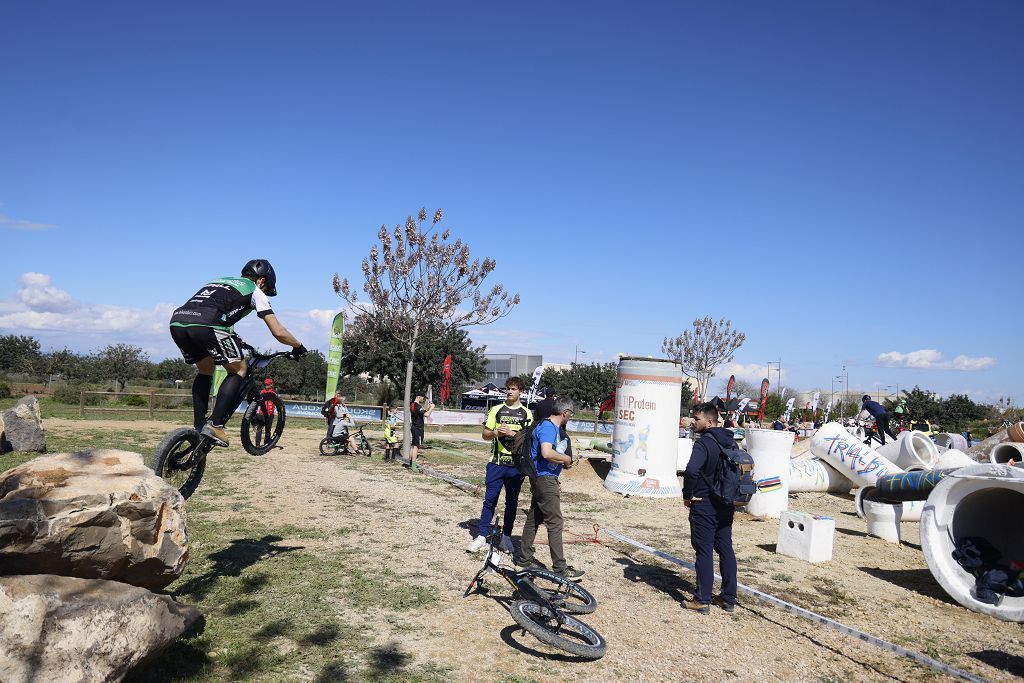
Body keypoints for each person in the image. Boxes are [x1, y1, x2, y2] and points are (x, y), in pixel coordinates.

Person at [170, 259, 306, 446]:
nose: (264, 291)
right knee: (239, 369)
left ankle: (198, 426)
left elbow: (215, 309)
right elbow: (278, 332)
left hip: (178, 322)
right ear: (262, 280)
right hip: (208, 325)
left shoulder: (220, 280)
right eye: (266, 288)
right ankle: (215, 425)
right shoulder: (255, 290)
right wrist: (298, 346)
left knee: (205, 369)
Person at [516, 397, 584, 580]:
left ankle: (524, 559)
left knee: (534, 518)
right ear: (565, 412)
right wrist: (566, 459)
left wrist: (562, 461)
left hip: (540, 478)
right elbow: (546, 453)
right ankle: (560, 569)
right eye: (571, 413)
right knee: (555, 522)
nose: (570, 417)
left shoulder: (548, 426)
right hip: (545, 480)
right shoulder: (548, 427)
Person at [467, 377, 533, 554]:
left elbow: (528, 440)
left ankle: (506, 538)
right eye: (508, 388)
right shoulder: (496, 410)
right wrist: (497, 432)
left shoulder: (527, 413)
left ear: (521, 392)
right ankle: (481, 536)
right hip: (496, 463)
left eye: (513, 389)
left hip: (516, 466)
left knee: (512, 503)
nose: (509, 391)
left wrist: (512, 433)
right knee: (490, 500)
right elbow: (485, 434)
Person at [682, 402, 737, 614]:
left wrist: (688, 495)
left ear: (710, 421)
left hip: (704, 504)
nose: (693, 422)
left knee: (704, 550)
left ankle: (702, 599)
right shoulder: (730, 441)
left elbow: (691, 470)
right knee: (725, 549)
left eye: (697, 419)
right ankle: (728, 598)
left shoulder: (704, 442)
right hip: (726, 503)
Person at [406, 393, 434, 470]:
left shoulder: (412, 405)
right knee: (416, 447)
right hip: (418, 429)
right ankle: (413, 466)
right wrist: (432, 408)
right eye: (423, 398)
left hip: (414, 427)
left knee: (413, 446)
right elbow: (427, 414)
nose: (423, 399)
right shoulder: (418, 406)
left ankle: (410, 463)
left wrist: (428, 408)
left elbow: (422, 413)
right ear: (419, 397)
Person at [255, 378, 277, 446]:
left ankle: (266, 444)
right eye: (265, 384)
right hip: (261, 414)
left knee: (268, 429)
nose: (266, 386)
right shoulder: (261, 392)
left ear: (271, 385)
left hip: (270, 414)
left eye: (268, 384)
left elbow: (277, 403)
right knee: (259, 429)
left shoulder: (274, 393)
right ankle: (257, 445)